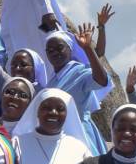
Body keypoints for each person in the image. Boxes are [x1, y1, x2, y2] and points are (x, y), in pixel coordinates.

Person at [44, 27, 111, 156]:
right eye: (50, 50)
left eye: (59, 48)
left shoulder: (79, 71)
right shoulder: (51, 82)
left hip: (81, 135)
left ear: (69, 49)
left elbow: (101, 80)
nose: (54, 53)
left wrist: (88, 48)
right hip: (59, 137)